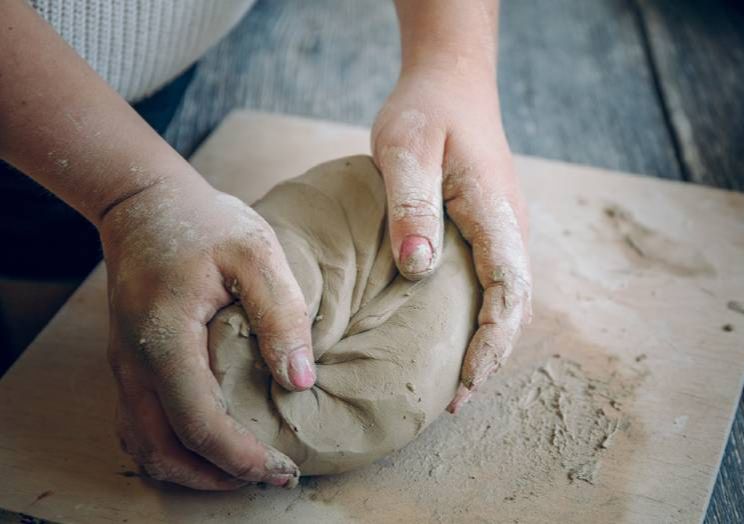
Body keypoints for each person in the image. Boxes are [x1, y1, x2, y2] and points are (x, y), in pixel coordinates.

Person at [0, 0, 532, 489]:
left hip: (175, 53)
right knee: (42, 324)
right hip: (28, 116)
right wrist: (131, 195)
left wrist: (450, 61)